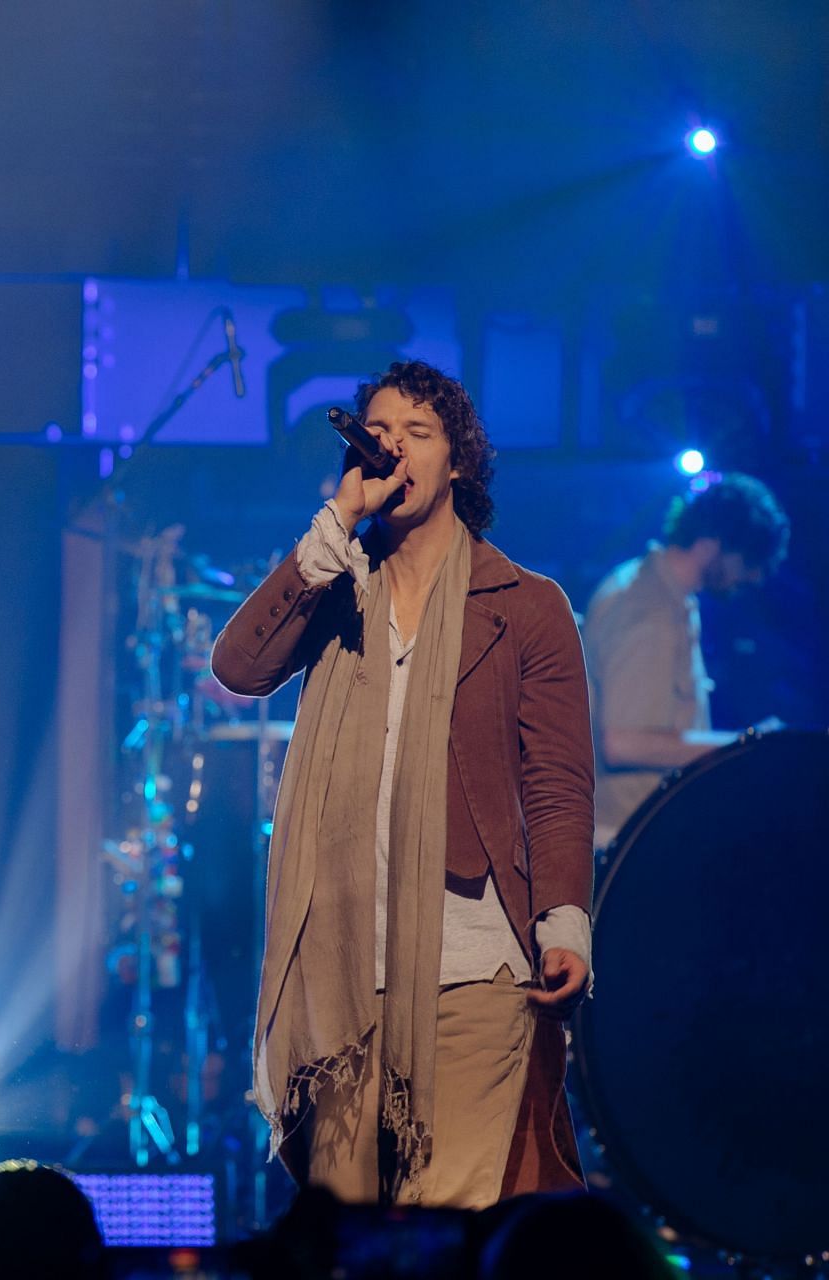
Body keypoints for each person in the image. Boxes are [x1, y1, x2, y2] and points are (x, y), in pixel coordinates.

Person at [211, 360, 594, 1209]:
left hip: (469, 963)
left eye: (417, 433)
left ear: (457, 461)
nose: (393, 448)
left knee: (450, 1222)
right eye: (379, 434)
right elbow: (239, 667)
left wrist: (565, 922)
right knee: (349, 1235)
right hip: (340, 970)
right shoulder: (334, 582)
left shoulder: (526, 606)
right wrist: (336, 524)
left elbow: (558, 785)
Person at [583, 473, 790, 847]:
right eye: (749, 561)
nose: (754, 577)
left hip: (644, 834)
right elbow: (620, 743)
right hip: (626, 841)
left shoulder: (667, 597)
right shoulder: (648, 610)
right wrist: (745, 745)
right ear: (713, 545)